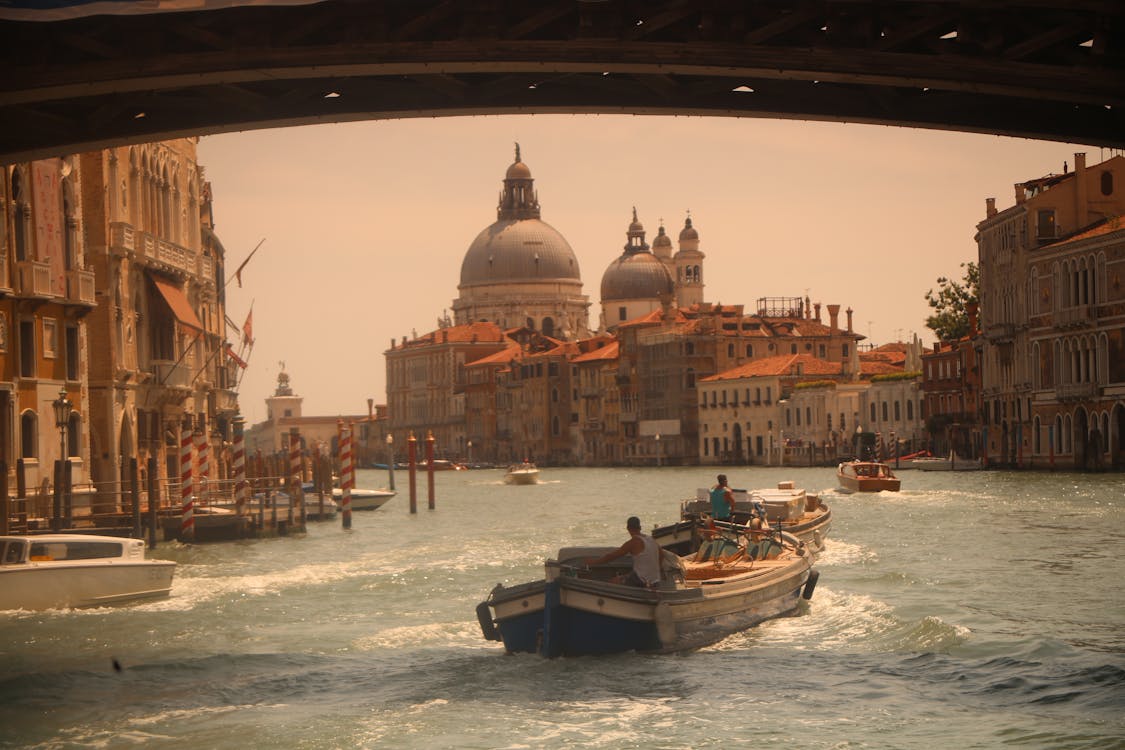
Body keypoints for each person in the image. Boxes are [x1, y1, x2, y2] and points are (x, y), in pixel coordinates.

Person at [585, 516, 662, 587]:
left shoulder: (634, 542)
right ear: (640, 527)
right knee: (623, 577)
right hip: (655, 580)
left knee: (612, 582)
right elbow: (661, 555)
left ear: (628, 528)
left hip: (640, 581)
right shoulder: (652, 540)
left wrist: (593, 562)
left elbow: (611, 556)